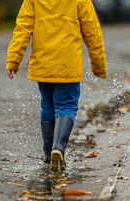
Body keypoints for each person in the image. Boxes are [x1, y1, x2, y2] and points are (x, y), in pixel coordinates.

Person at [6, 0, 107, 171]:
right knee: (66, 105)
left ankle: (47, 155)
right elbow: (92, 31)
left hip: (43, 64)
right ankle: (58, 148)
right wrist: (99, 65)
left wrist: (13, 60)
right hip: (68, 65)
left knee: (48, 104)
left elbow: (23, 28)